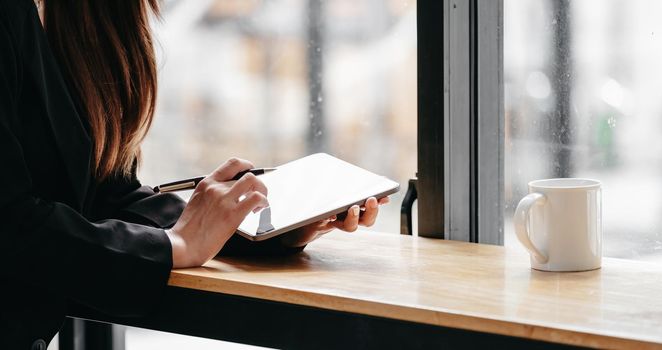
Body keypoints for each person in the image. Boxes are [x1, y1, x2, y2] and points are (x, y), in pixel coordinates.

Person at [0, 0, 389, 348]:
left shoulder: (90, 16)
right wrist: (176, 246)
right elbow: (11, 223)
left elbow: (105, 194)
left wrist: (249, 230)